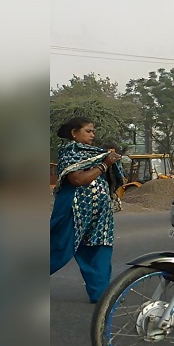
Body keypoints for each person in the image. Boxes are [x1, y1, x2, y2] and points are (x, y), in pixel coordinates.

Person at [50, 117, 124, 303]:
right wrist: (105, 164)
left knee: (98, 249)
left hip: (99, 213)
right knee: (58, 248)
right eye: (88, 131)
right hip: (74, 210)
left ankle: (101, 295)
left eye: (93, 131)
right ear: (74, 133)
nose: (93, 134)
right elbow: (78, 180)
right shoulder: (70, 152)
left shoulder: (96, 153)